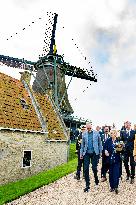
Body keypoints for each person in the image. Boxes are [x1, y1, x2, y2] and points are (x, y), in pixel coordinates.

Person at [80, 123, 102, 192]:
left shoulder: (96, 133)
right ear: (86, 128)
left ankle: (96, 178)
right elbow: (82, 145)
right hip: (86, 153)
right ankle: (87, 184)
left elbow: (100, 143)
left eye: (90, 128)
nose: (89, 129)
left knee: (94, 168)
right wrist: (81, 154)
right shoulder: (84, 134)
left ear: (91, 127)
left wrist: (100, 152)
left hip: (95, 153)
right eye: (87, 128)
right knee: (85, 168)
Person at [104, 129, 122, 194]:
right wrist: (105, 151)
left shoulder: (119, 140)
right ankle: (112, 187)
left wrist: (120, 149)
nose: (111, 134)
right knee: (111, 173)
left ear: (115, 134)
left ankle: (116, 186)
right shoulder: (108, 141)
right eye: (111, 133)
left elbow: (122, 149)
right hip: (110, 160)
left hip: (117, 159)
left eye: (113, 133)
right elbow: (105, 147)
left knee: (116, 173)